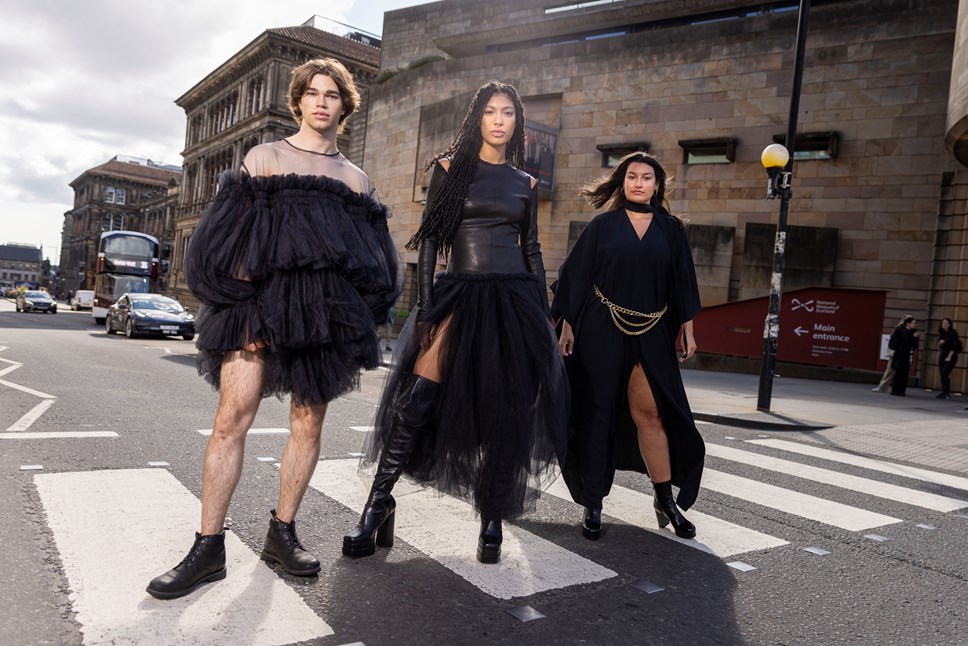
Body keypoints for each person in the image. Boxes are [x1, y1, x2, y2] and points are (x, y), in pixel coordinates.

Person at [147, 58, 399, 599]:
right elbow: (230, 239)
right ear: (298, 101)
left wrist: (349, 314)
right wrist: (245, 306)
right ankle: (207, 547)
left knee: (307, 426)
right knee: (229, 421)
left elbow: (370, 261)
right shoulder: (264, 158)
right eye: (312, 93)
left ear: (345, 107)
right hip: (256, 309)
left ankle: (282, 533)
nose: (322, 102)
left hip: (321, 318)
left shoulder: (356, 181)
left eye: (332, 95)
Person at [342, 80, 568, 564]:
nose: (500, 120)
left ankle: (491, 517)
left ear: (517, 122)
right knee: (416, 400)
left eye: (508, 112)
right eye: (491, 112)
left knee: (505, 412)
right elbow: (429, 244)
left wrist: (543, 315)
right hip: (459, 296)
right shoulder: (449, 170)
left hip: (514, 301)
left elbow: (531, 250)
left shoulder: (525, 183)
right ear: (478, 119)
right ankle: (377, 506)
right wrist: (425, 308)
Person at [552, 151, 705, 541]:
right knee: (599, 412)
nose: (639, 183)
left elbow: (683, 282)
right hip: (601, 326)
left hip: (654, 329)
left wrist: (687, 329)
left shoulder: (671, 230)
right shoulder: (603, 226)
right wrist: (566, 325)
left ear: (657, 185)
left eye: (647, 177)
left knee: (650, 413)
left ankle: (664, 499)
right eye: (632, 176)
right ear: (623, 182)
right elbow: (576, 275)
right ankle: (594, 502)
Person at [873, 314, 911, 393]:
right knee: (890, 370)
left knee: (892, 371)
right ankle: (882, 387)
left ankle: (885, 387)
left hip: (901, 354)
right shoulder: (899, 327)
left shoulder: (908, 329)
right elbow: (893, 336)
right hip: (896, 353)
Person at [889, 316, 920, 396]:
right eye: (913, 323)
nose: (915, 325)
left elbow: (913, 345)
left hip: (906, 355)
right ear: (908, 323)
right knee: (899, 373)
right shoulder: (903, 331)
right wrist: (914, 337)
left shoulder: (911, 332)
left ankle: (901, 390)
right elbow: (906, 343)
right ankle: (896, 390)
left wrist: (915, 338)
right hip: (900, 355)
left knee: (904, 374)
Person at [936, 317, 961, 399]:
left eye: (946, 323)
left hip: (951, 355)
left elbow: (954, 347)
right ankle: (944, 392)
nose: (944, 324)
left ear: (949, 324)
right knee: (942, 374)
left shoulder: (953, 333)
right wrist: (940, 343)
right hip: (943, 354)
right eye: (943, 323)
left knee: (944, 373)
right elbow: (940, 345)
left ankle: (946, 393)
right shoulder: (942, 333)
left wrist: (949, 357)